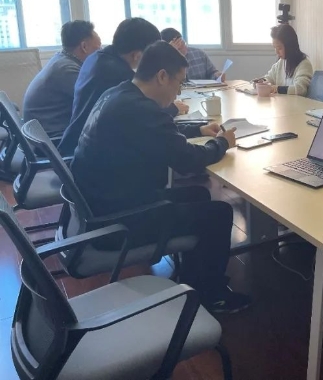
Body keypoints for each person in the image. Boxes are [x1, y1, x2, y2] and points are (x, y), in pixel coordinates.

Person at [70, 41, 249, 313]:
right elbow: (187, 161)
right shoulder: (140, 110)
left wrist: (198, 129)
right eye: (179, 83)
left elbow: (156, 135)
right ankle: (212, 296)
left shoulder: (120, 94)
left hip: (102, 206)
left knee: (199, 194)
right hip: (119, 223)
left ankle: (194, 278)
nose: (178, 91)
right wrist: (222, 143)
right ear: (162, 76)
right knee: (220, 213)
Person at [58, 17, 161, 155]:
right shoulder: (118, 73)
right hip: (87, 153)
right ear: (137, 55)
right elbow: (148, 112)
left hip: (78, 143)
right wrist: (173, 108)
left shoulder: (97, 58)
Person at [22, 20, 102, 138]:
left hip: (44, 132)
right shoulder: (67, 70)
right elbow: (98, 102)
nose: (100, 54)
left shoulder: (61, 60)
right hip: (54, 138)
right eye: (98, 49)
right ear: (84, 46)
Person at [253, 24, 313, 96]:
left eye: (279, 48)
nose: (276, 52)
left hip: (296, 103)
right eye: (275, 48)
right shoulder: (281, 62)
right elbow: (270, 78)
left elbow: (300, 89)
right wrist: (261, 82)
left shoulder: (304, 64)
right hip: (283, 102)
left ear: (290, 46)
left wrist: (275, 88)